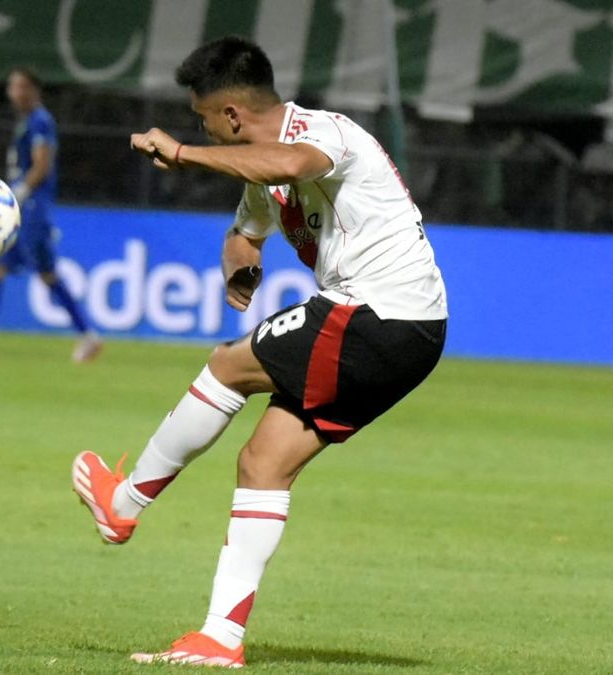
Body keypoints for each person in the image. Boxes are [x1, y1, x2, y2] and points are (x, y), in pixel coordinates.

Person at [71, 36, 447, 668]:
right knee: (263, 463)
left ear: (231, 116)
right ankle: (219, 638)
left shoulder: (328, 133)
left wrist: (185, 153)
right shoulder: (259, 168)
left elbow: (293, 165)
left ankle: (124, 504)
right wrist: (241, 268)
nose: (203, 130)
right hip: (400, 329)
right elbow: (245, 234)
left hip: (379, 312)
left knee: (226, 365)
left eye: (203, 119)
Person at [0, 67, 102, 363]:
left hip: (30, 210)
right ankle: (86, 336)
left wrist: (21, 192)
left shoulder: (40, 121)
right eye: (12, 86)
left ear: (33, 90)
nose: (14, 92)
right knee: (23, 271)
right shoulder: (28, 121)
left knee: (21, 272)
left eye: (20, 87)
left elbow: (42, 164)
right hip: (28, 209)